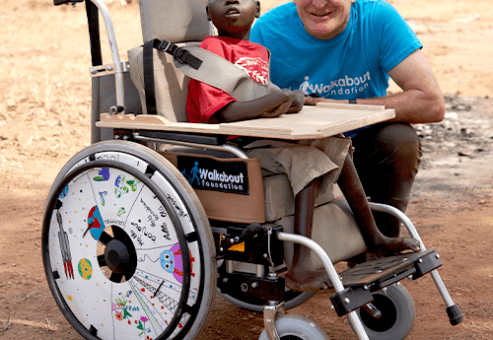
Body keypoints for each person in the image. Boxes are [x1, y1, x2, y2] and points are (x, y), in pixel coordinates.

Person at [186, 0, 420, 291]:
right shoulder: (211, 50)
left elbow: (258, 103)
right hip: (231, 147)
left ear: (257, 9)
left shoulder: (258, 51)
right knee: (306, 159)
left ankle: (373, 237)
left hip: (258, 137)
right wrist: (275, 100)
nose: (232, 0)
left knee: (336, 146)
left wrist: (287, 102)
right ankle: (299, 266)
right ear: (208, 13)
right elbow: (225, 113)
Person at [251, 0, 445, 251]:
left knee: (400, 141)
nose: (319, 4)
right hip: (301, 152)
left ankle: (379, 243)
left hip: (363, 144)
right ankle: (297, 254)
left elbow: (431, 103)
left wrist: (337, 105)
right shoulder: (267, 32)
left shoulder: (377, 18)